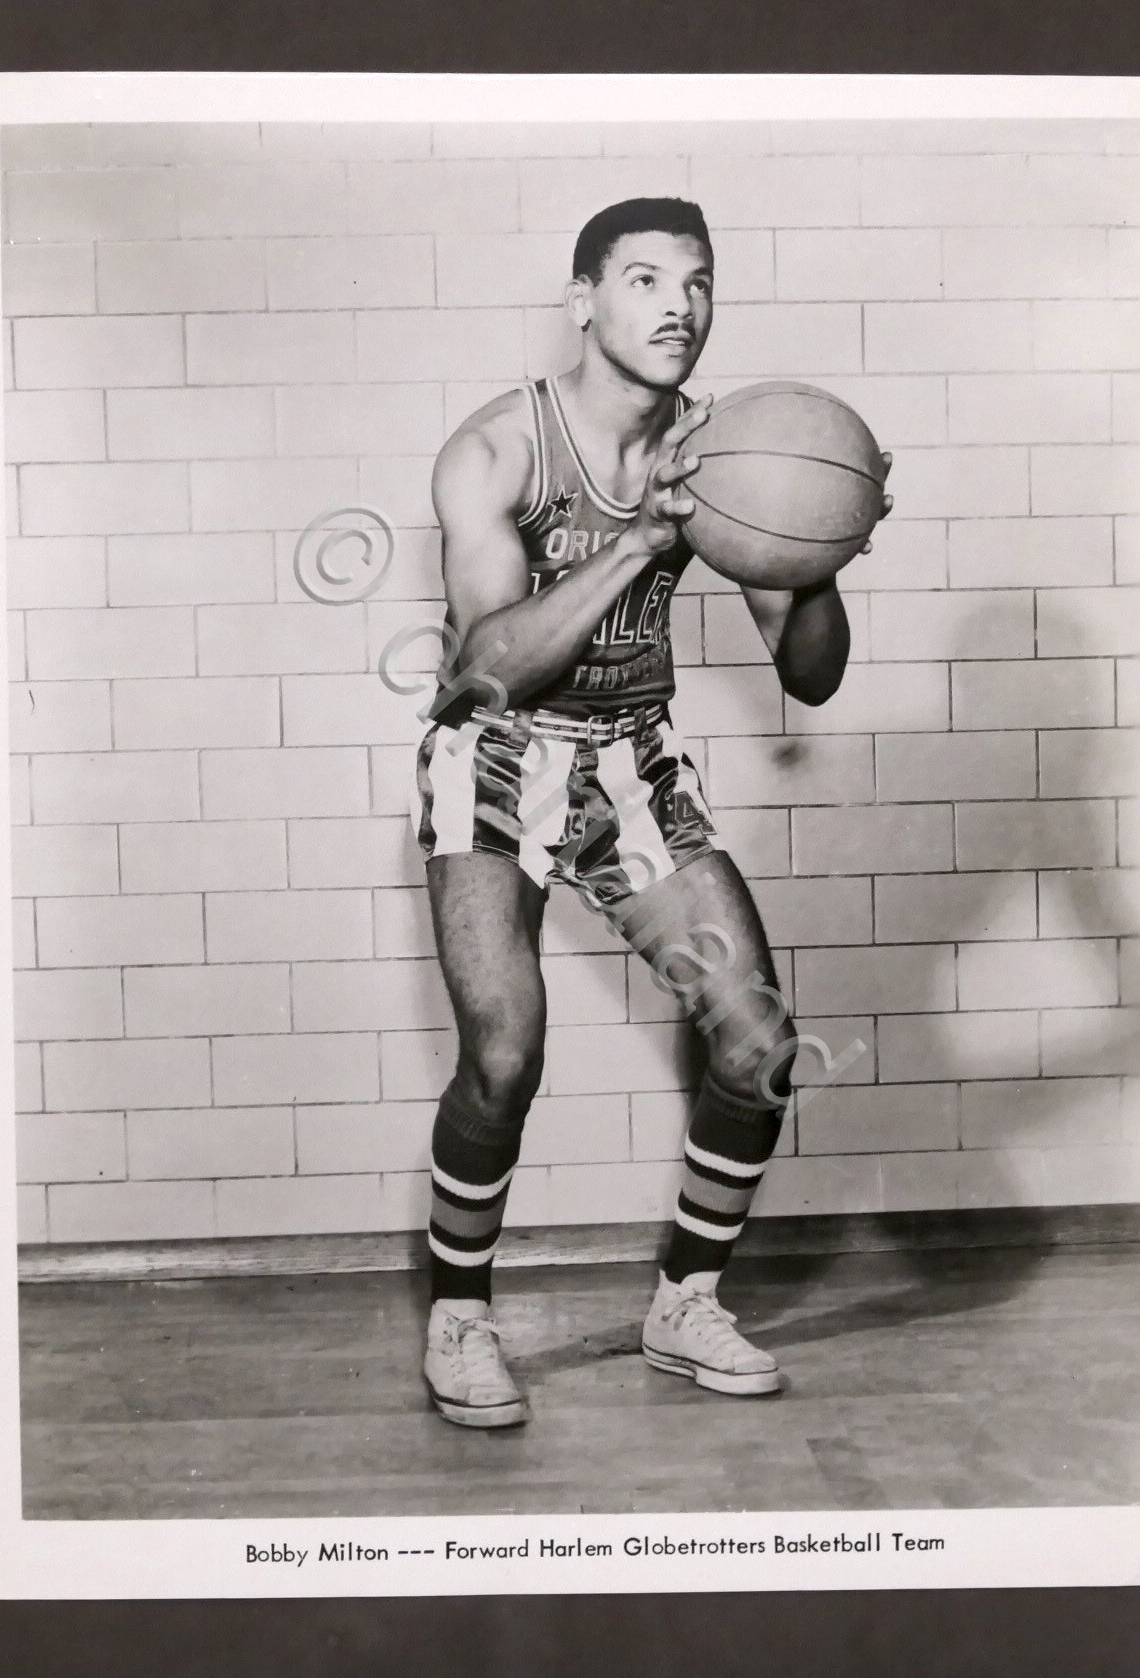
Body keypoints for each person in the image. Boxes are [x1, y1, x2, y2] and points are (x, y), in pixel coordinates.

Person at [408, 197, 892, 1427]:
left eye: (698, 282)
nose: (678, 306)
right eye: (643, 279)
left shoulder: (731, 451)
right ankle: (459, 1314)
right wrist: (644, 536)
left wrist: (816, 547)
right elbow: (489, 667)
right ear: (585, 299)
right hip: (497, 756)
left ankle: (683, 1304)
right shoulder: (495, 450)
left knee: (757, 1045)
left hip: (633, 758)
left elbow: (812, 671)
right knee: (503, 1050)